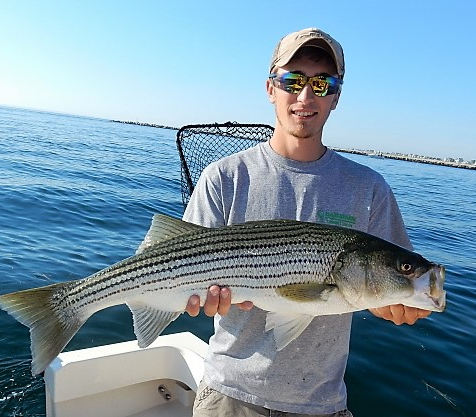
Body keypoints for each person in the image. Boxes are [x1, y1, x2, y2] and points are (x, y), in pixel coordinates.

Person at [183, 27, 431, 417]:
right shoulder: (224, 177)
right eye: (293, 80)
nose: (305, 96)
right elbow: (178, 274)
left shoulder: (370, 189)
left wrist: (397, 303)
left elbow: (390, 282)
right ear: (270, 88)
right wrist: (195, 298)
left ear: (336, 96)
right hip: (228, 396)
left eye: (322, 82)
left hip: (321, 404)